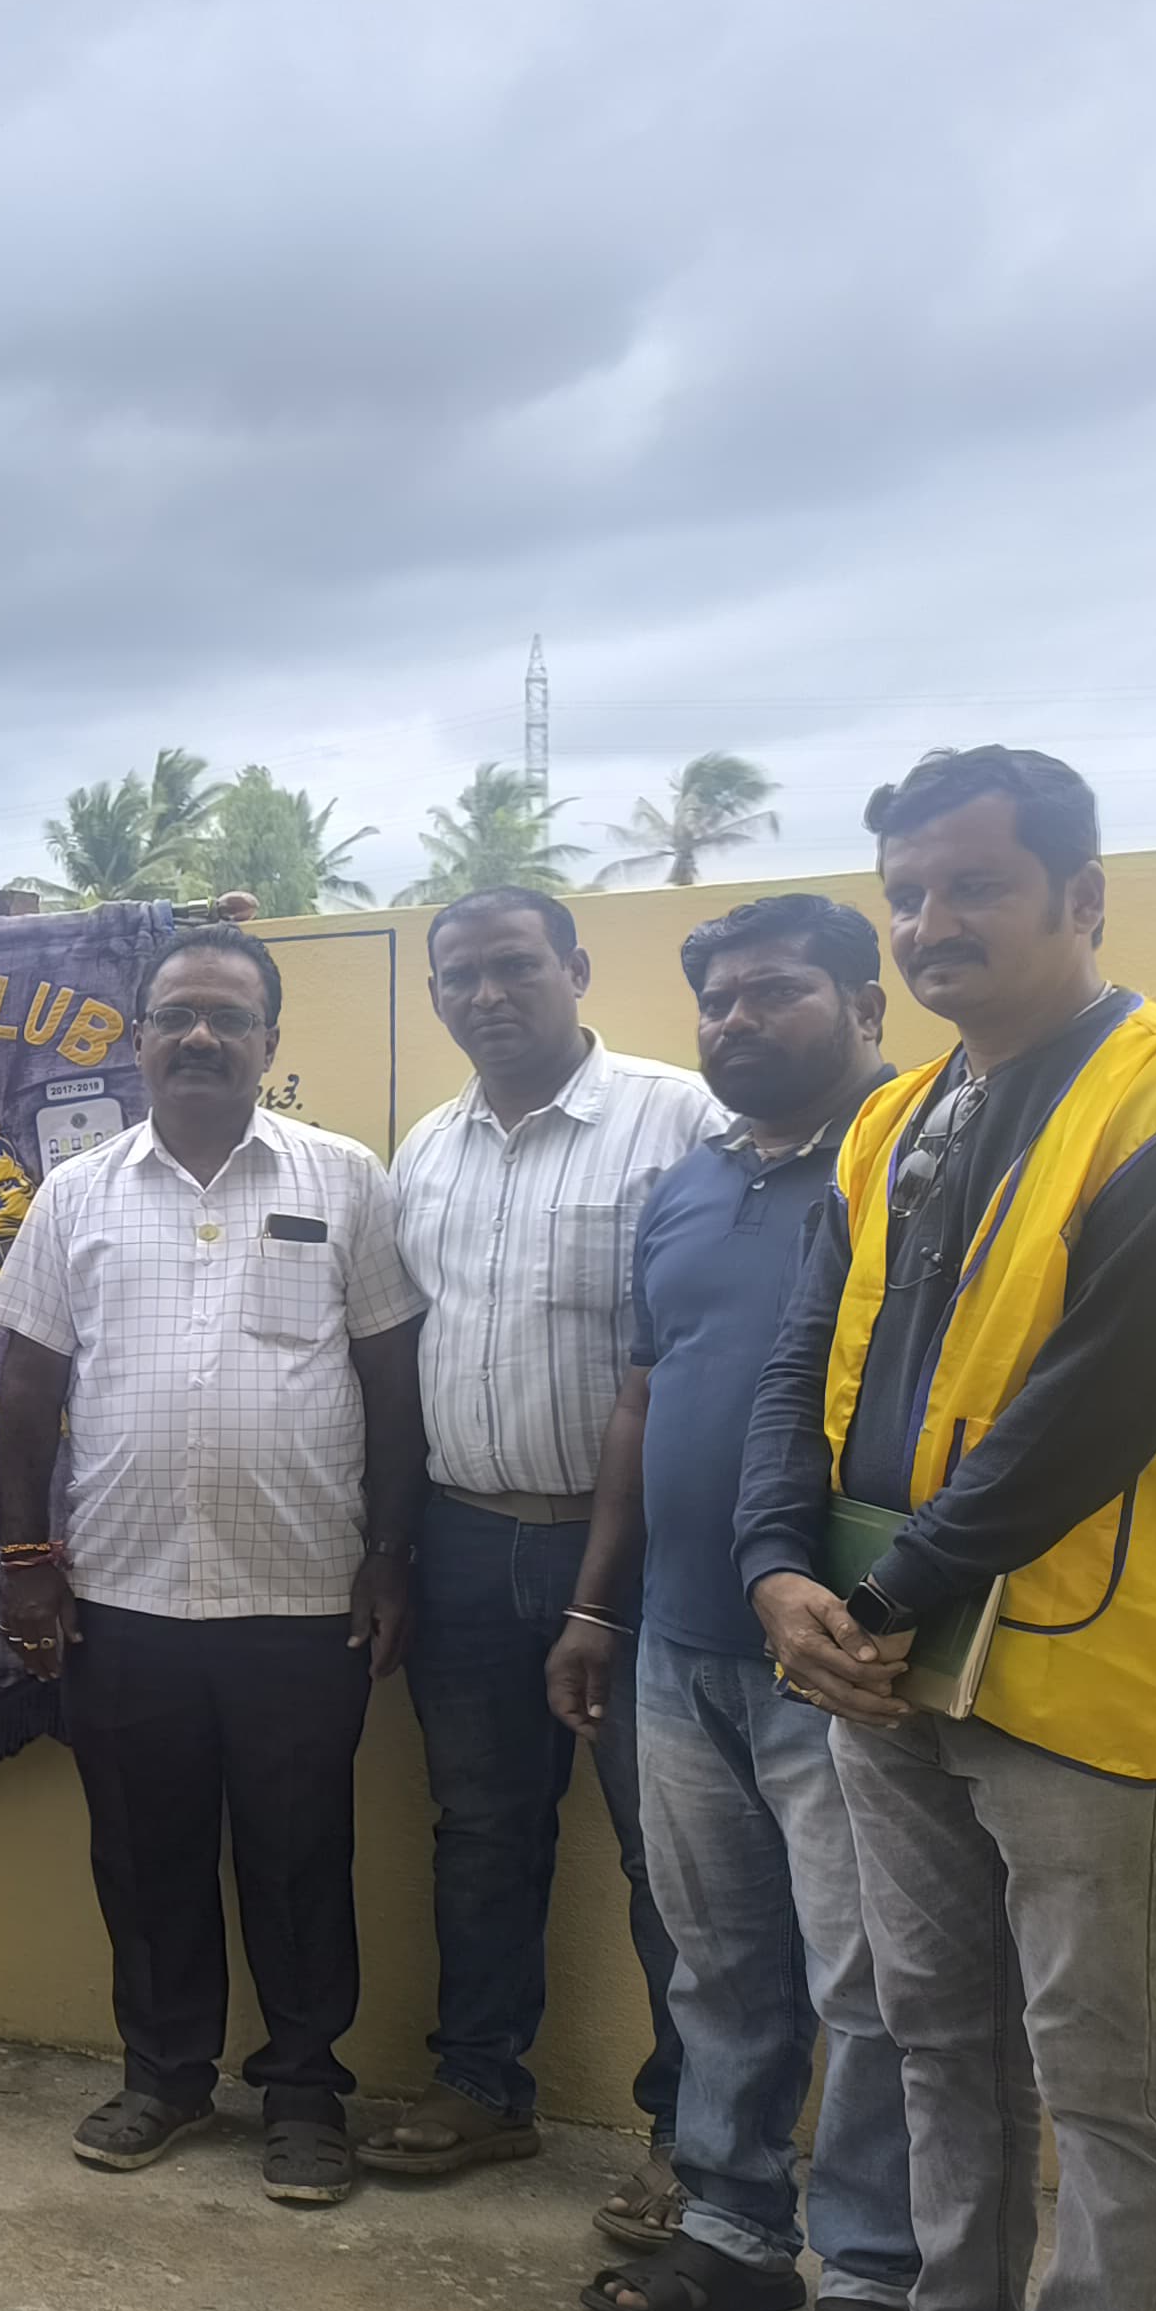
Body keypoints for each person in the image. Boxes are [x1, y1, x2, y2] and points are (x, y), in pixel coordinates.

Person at [740, 747, 1156, 2311]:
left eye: (973, 891)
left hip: (1084, 1668)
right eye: (907, 899)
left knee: (1105, 2079)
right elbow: (810, 1364)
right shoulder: (893, 1119)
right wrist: (781, 1562)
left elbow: (1102, 1396)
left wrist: (894, 1591)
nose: (932, 927)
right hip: (883, 1664)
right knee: (937, 2031)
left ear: (1081, 901)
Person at [0, 929, 429, 2204]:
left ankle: (302, 2092)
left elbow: (394, 1387)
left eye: (227, 1019)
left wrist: (390, 1557)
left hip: (301, 1598)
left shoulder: (345, 1179)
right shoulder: (77, 1192)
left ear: (269, 1045)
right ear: (138, 1038)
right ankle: (167, 2075)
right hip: (125, 1597)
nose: (198, 1037)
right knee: (142, 1850)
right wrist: (27, 1560)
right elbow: (26, 1389)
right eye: (175, 1015)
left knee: (300, 1855)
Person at [553, 897, 920, 2311]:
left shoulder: (923, 1170)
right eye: (717, 1003)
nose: (738, 1024)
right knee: (719, 1963)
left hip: (846, 1655)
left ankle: (884, 2280)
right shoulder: (688, 1189)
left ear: (863, 1002)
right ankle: (731, 2224)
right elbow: (647, 1396)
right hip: (680, 1647)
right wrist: (597, 1601)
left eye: (776, 994)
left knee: (874, 1985)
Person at [364, 887, 718, 2216]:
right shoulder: (427, 1149)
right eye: (460, 977)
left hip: (635, 1552)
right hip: (462, 1540)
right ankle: (482, 2090)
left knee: (669, 1849)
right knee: (483, 1832)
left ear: (574, 968)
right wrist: (393, 1545)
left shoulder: (677, 1117)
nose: (487, 996)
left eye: (516, 968)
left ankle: (698, 2136)